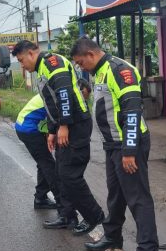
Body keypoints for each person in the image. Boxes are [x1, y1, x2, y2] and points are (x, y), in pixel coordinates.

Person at [70, 38, 159, 251]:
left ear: (90, 54)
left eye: (81, 63)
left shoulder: (120, 70)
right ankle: (112, 236)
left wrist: (129, 151)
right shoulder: (99, 72)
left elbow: (131, 111)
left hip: (128, 145)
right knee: (116, 194)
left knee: (138, 198)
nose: (81, 68)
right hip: (112, 144)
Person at [12, 40, 104, 235]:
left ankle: (93, 215)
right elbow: (50, 104)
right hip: (64, 126)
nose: (22, 65)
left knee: (70, 175)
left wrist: (63, 125)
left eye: (21, 60)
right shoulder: (42, 68)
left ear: (31, 53)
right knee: (61, 174)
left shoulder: (53, 63)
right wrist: (52, 131)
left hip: (76, 125)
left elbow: (64, 94)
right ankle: (67, 216)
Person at [15, 93, 72, 216]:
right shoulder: (56, 95)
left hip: (25, 126)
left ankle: (40, 198)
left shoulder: (49, 91)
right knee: (49, 166)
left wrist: (48, 136)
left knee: (43, 163)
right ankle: (62, 204)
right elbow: (53, 118)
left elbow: (47, 118)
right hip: (28, 129)